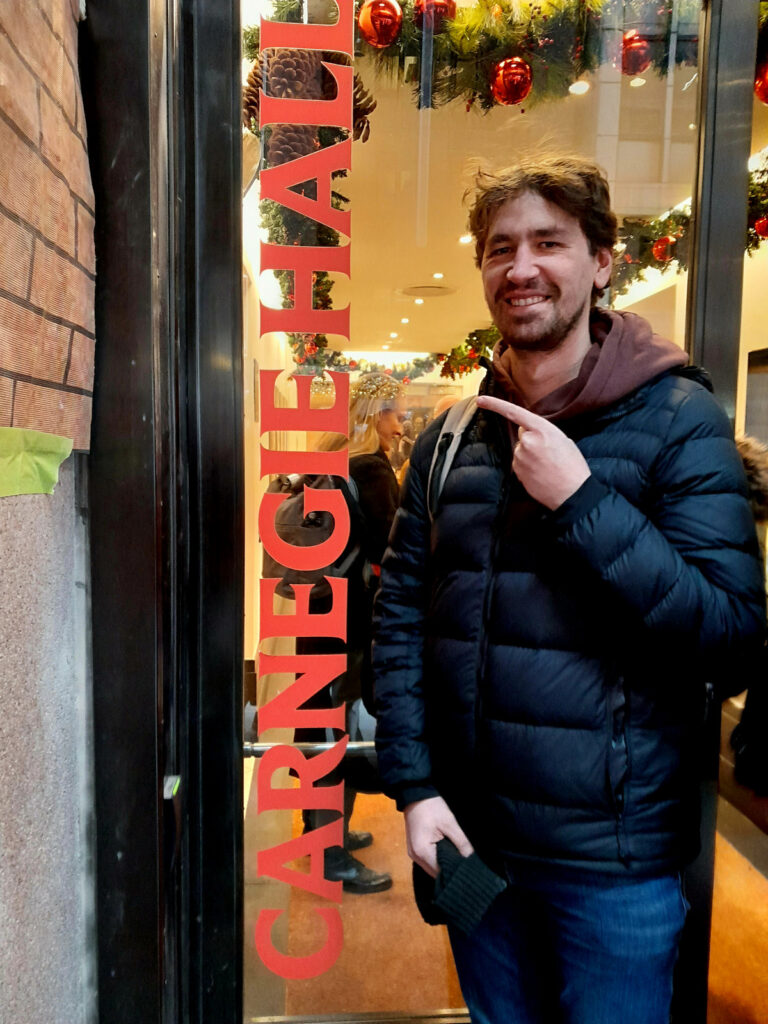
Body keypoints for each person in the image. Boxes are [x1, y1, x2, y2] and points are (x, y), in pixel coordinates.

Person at [372, 155, 766, 1022]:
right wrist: (416, 788)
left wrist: (584, 502)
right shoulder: (451, 441)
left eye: (549, 242)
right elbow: (399, 625)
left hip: (613, 867)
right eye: (500, 247)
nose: (521, 267)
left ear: (602, 263)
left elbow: (732, 640)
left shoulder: (680, 422)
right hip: (473, 840)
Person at [302, 372, 403, 894]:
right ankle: (330, 855)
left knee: (319, 719)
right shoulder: (372, 470)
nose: (401, 423)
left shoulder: (328, 458)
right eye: (396, 413)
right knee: (337, 728)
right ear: (376, 415)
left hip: (316, 609)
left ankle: (322, 832)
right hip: (351, 619)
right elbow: (394, 547)